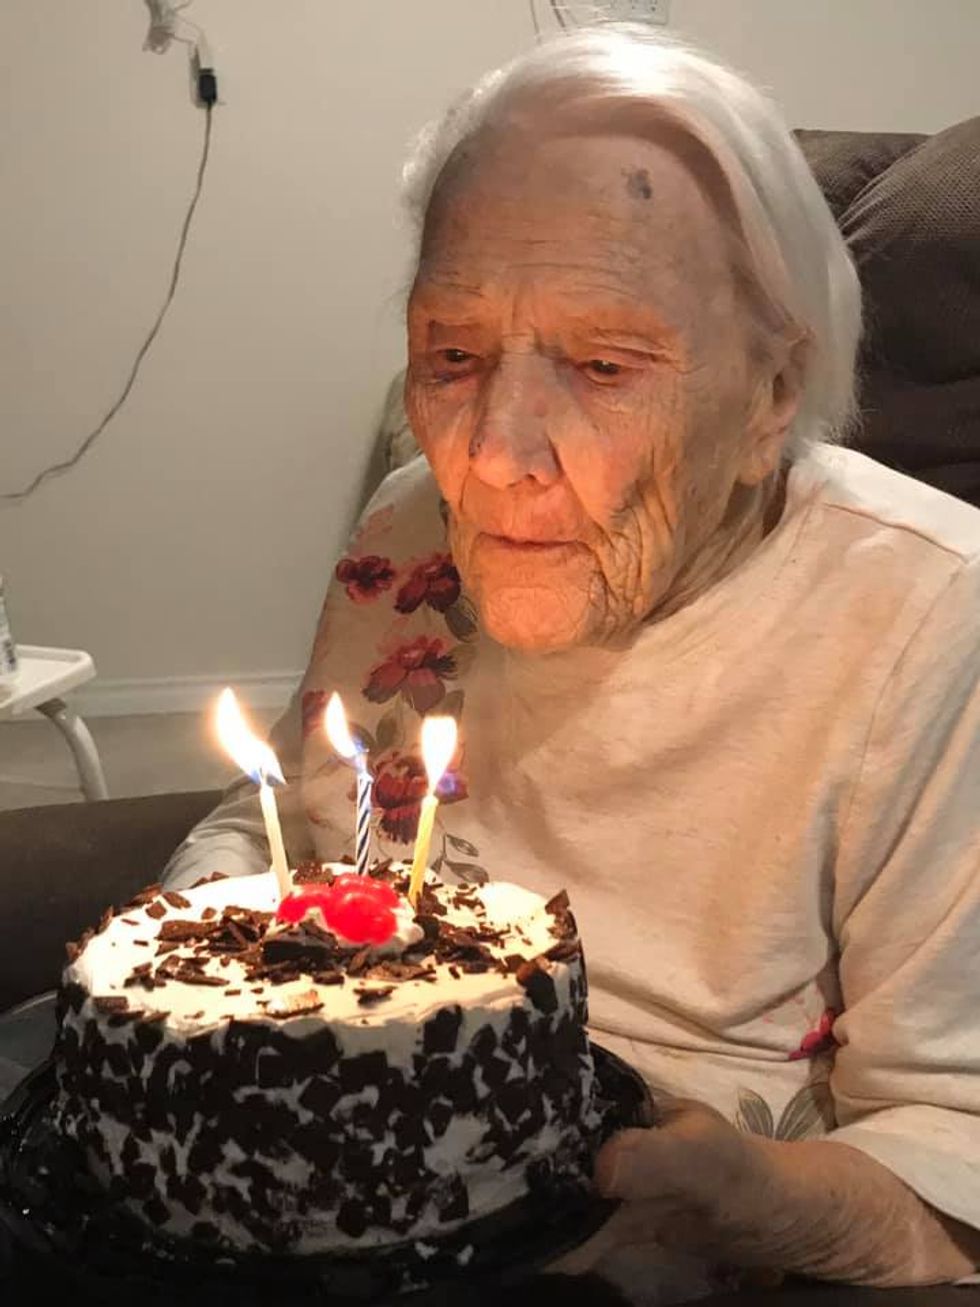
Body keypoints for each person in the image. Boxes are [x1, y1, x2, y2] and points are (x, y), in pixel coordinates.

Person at [164, 25, 980, 1297]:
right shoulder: (409, 527)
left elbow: (952, 1163)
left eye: (603, 365)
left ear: (771, 395)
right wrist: (169, 963)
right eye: (452, 354)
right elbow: (293, 819)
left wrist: (750, 1205)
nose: (492, 452)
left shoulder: (934, 616)